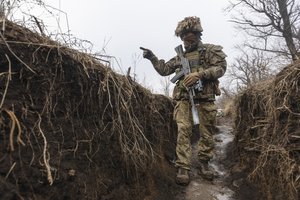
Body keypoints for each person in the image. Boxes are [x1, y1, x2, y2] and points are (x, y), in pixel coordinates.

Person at [140, 16, 227, 185]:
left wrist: (199, 74)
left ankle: (204, 163)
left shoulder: (210, 51)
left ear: (197, 34)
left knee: (207, 132)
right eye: (183, 38)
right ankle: (183, 166)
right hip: (184, 100)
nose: (186, 42)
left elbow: (220, 68)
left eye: (189, 37)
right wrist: (152, 57)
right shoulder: (180, 57)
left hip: (205, 99)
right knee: (183, 131)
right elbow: (164, 70)